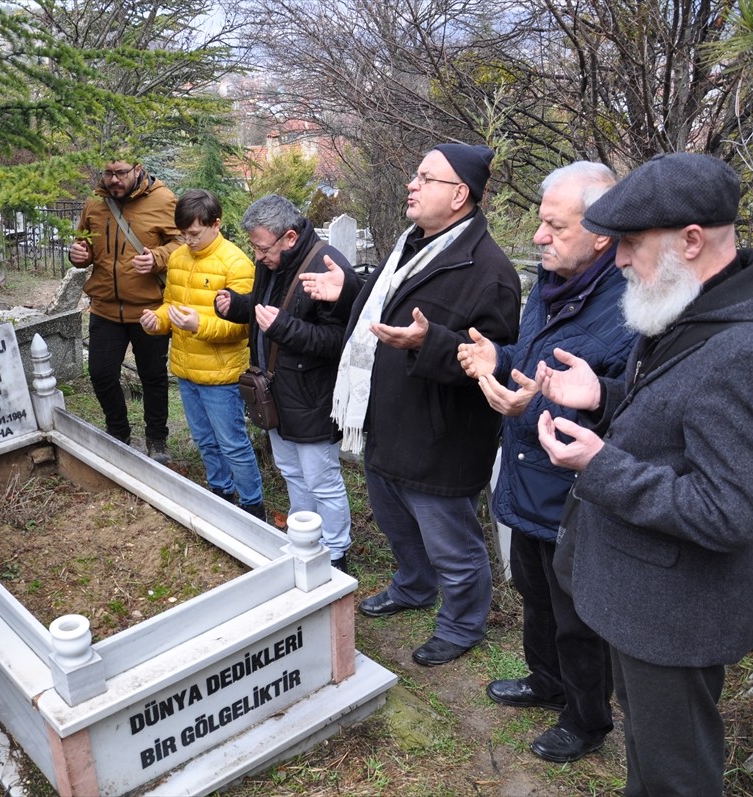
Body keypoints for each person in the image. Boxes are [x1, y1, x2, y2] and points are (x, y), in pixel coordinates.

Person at [534, 152, 753, 795]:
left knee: (677, 775)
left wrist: (600, 465)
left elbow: (728, 509)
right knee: (648, 754)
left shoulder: (748, 349)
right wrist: (605, 396)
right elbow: (681, 420)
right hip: (643, 598)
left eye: (631, 243)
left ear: (691, 240)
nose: (618, 259)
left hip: (677, 616)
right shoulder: (692, 306)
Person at [301, 143, 521, 666]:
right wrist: (349, 290)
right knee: (397, 526)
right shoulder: (410, 245)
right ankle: (414, 586)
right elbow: (385, 311)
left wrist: (431, 342)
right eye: (415, 175)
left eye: (425, 178)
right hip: (386, 422)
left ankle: (462, 623)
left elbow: (495, 360)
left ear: (459, 194)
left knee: (453, 546)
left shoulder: (489, 271)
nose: (411, 185)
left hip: (440, 439)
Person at [457, 162, 634, 763]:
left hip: (577, 493)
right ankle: (546, 681)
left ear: (602, 235)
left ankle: (585, 720)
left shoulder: (631, 306)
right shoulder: (552, 283)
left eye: (556, 226)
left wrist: (535, 401)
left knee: (576, 615)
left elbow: (627, 407)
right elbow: (535, 362)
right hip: (527, 475)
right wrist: (499, 358)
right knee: (535, 592)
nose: (539, 237)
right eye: (541, 223)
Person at [215, 194, 361, 567]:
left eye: (262, 249)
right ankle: (304, 539)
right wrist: (239, 306)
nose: (257, 256)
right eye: (254, 248)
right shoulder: (273, 261)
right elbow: (266, 304)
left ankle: (336, 552)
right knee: (292, 473)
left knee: (321, 479)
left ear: (290, 237)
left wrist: (284, 328)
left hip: (313, 397)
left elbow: (338, 341)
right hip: (276, 391)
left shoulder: (327, 266)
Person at [139, 189, 264, 517]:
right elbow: (170, 305)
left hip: (222, 375)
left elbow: (243, 326)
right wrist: (157, 321)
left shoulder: (236, 263)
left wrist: (199, 325)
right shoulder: (178, 258)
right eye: (183, 234)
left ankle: (252, 507)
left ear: (216, 224)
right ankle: (220, 493)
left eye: (194, 233)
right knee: (205, 440)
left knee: (232, 443)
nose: (188, 240)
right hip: (186, 369)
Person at [69, 157, 180, 463]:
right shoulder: (95, 203)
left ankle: (157, 438)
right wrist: (79, 254)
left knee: (152, 377)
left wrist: (158, 257)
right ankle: (118, 432)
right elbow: (84, 245)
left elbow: (183, 243)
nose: (114, 179)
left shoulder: (163, 199)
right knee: (101, 373)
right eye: (108, 173)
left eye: (120, 173)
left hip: (149, 309)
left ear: (138, 169)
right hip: (105, 307)